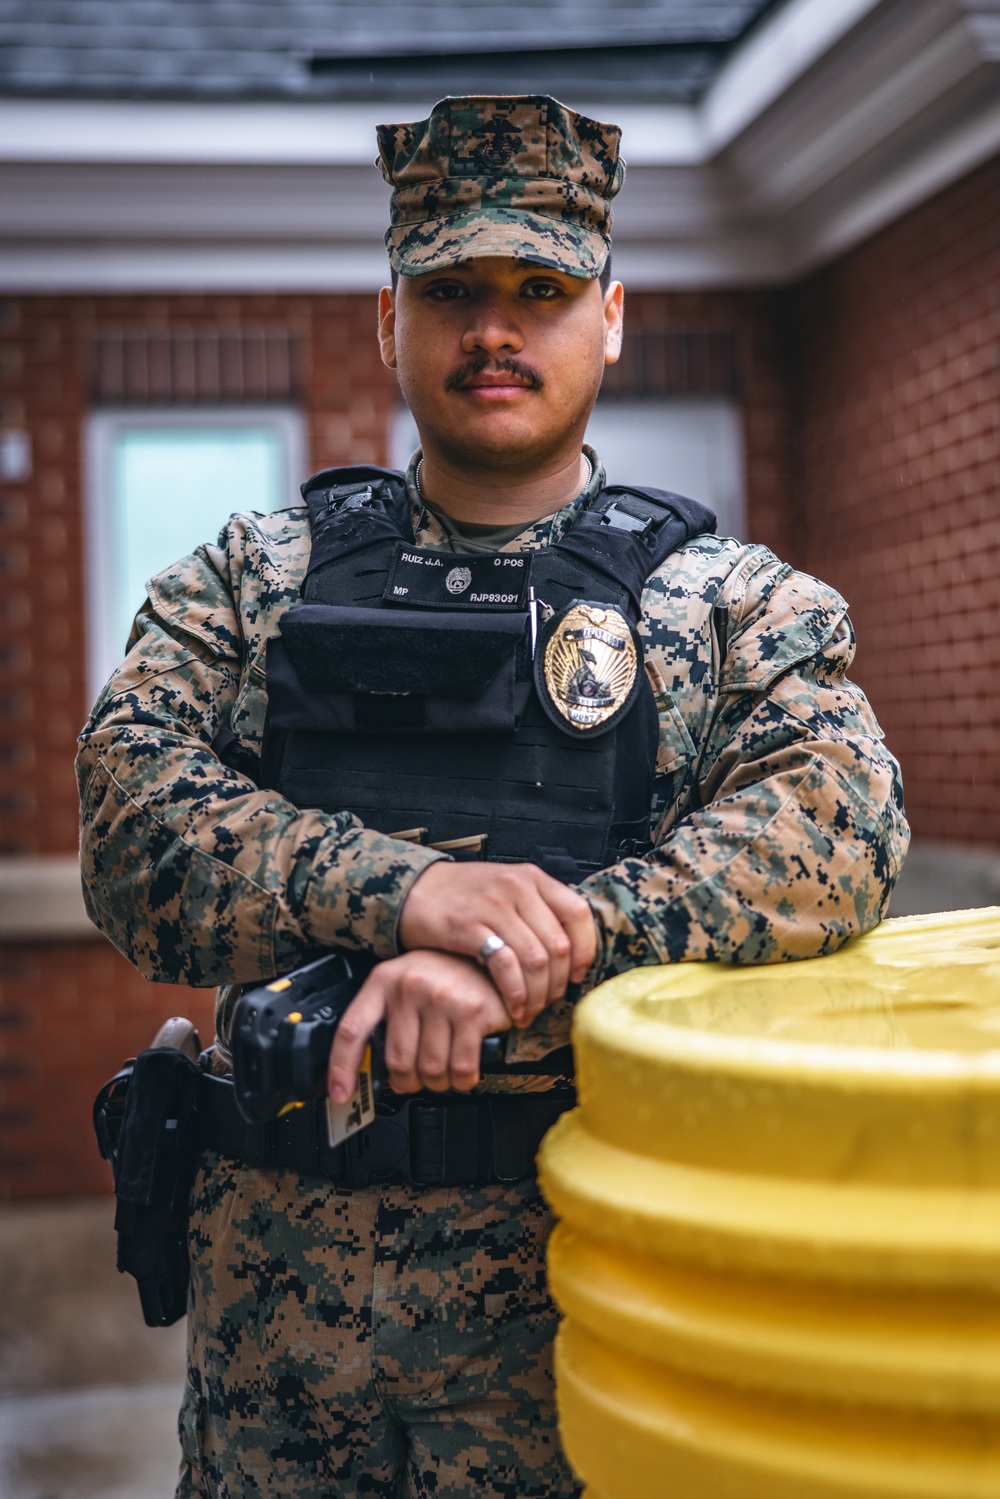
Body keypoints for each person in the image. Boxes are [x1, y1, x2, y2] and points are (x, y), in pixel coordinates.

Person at [77, 95, 909, 1498]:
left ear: (615, 314)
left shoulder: (725, 607)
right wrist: (403, 890)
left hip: (577, 1314)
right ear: (390, 323)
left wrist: (547, 941)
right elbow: (127, 818)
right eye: (451, 289)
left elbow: (837, 824)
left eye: (542, 289)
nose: (495, 329)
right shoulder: (252, 581)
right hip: (280, 1340)